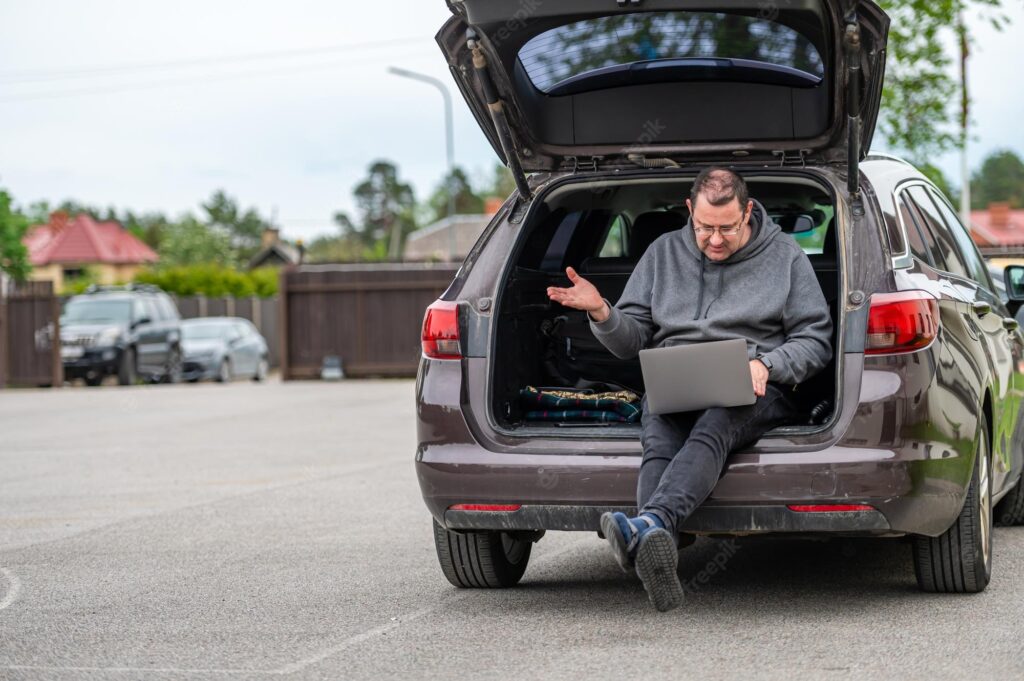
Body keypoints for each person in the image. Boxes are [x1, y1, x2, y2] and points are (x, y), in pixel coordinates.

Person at [546, 167, 832, 611]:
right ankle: (654, 536)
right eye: (704, 228)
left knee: (714, 424)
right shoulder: (662, 253)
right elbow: (632, 340)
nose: (715, 240)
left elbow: (816, 341)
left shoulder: (787, 256)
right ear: (689, 213)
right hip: (678, 380)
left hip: (756, 384)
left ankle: (650, 524)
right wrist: (602, 311)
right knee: (658, 436)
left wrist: (767, 364)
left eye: (726, 228)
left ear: (748, 213)